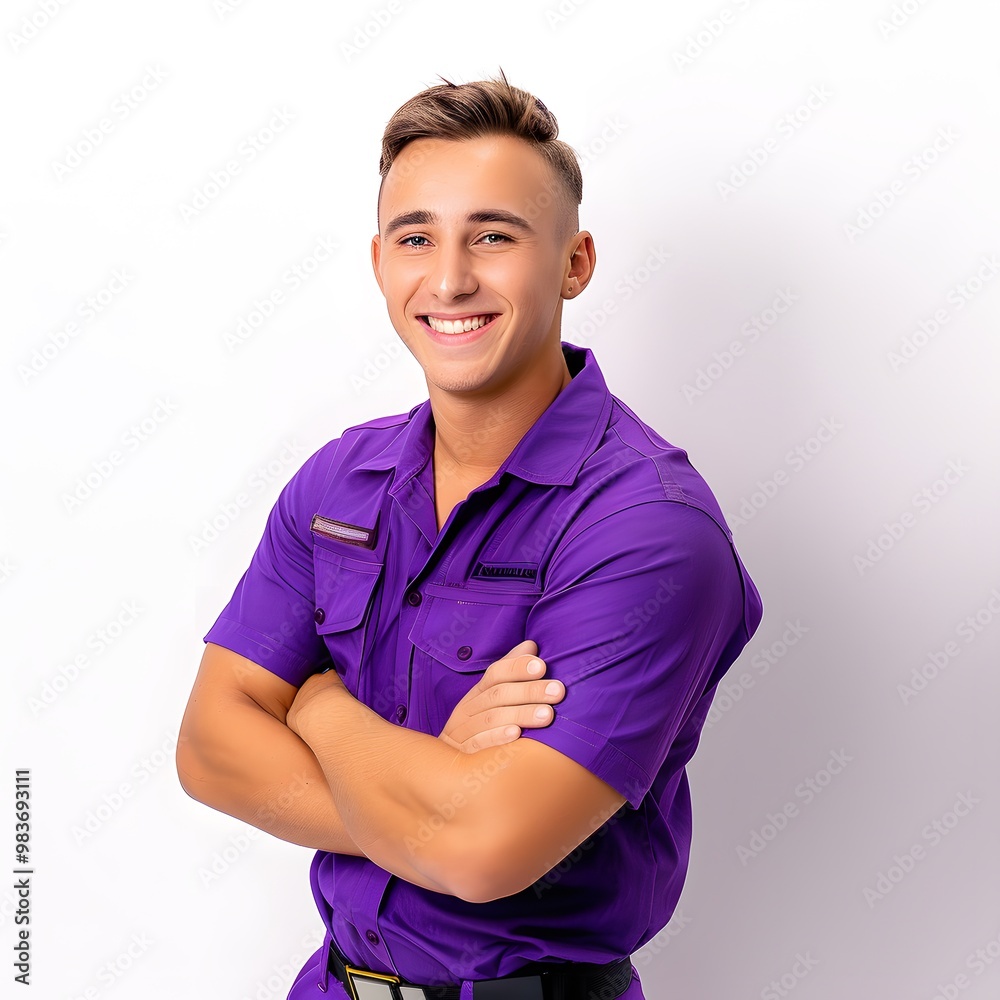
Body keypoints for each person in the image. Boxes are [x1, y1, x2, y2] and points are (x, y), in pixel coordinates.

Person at [177, 72, 763, 1000]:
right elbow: (209, 749)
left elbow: (484, 850)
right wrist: (428, 791)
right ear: (380, 263)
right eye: (417, 238)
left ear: (574, 263)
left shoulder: (648, 531)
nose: (449, 279)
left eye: (493, 236)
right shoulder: (339, 483)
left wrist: (318, 707)